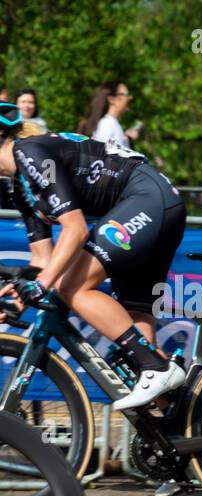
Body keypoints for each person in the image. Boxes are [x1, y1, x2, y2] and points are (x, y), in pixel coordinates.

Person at [0, 105, 186, 411]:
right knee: (135, 314)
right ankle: (175, 428)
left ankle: (157, 367)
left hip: (146, 198)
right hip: (150, 206)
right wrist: (17, 296)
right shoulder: (20, 188)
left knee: (71, 286)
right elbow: (42, 262)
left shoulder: (29, 153)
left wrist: (44, 283)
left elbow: (75, 230)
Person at [79, 81, 140, 150]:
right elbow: (103, 156)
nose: (130, 97)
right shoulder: (108, 124)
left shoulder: (110, 124)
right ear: (112, 99)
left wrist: (127, 138)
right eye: (126, 94)